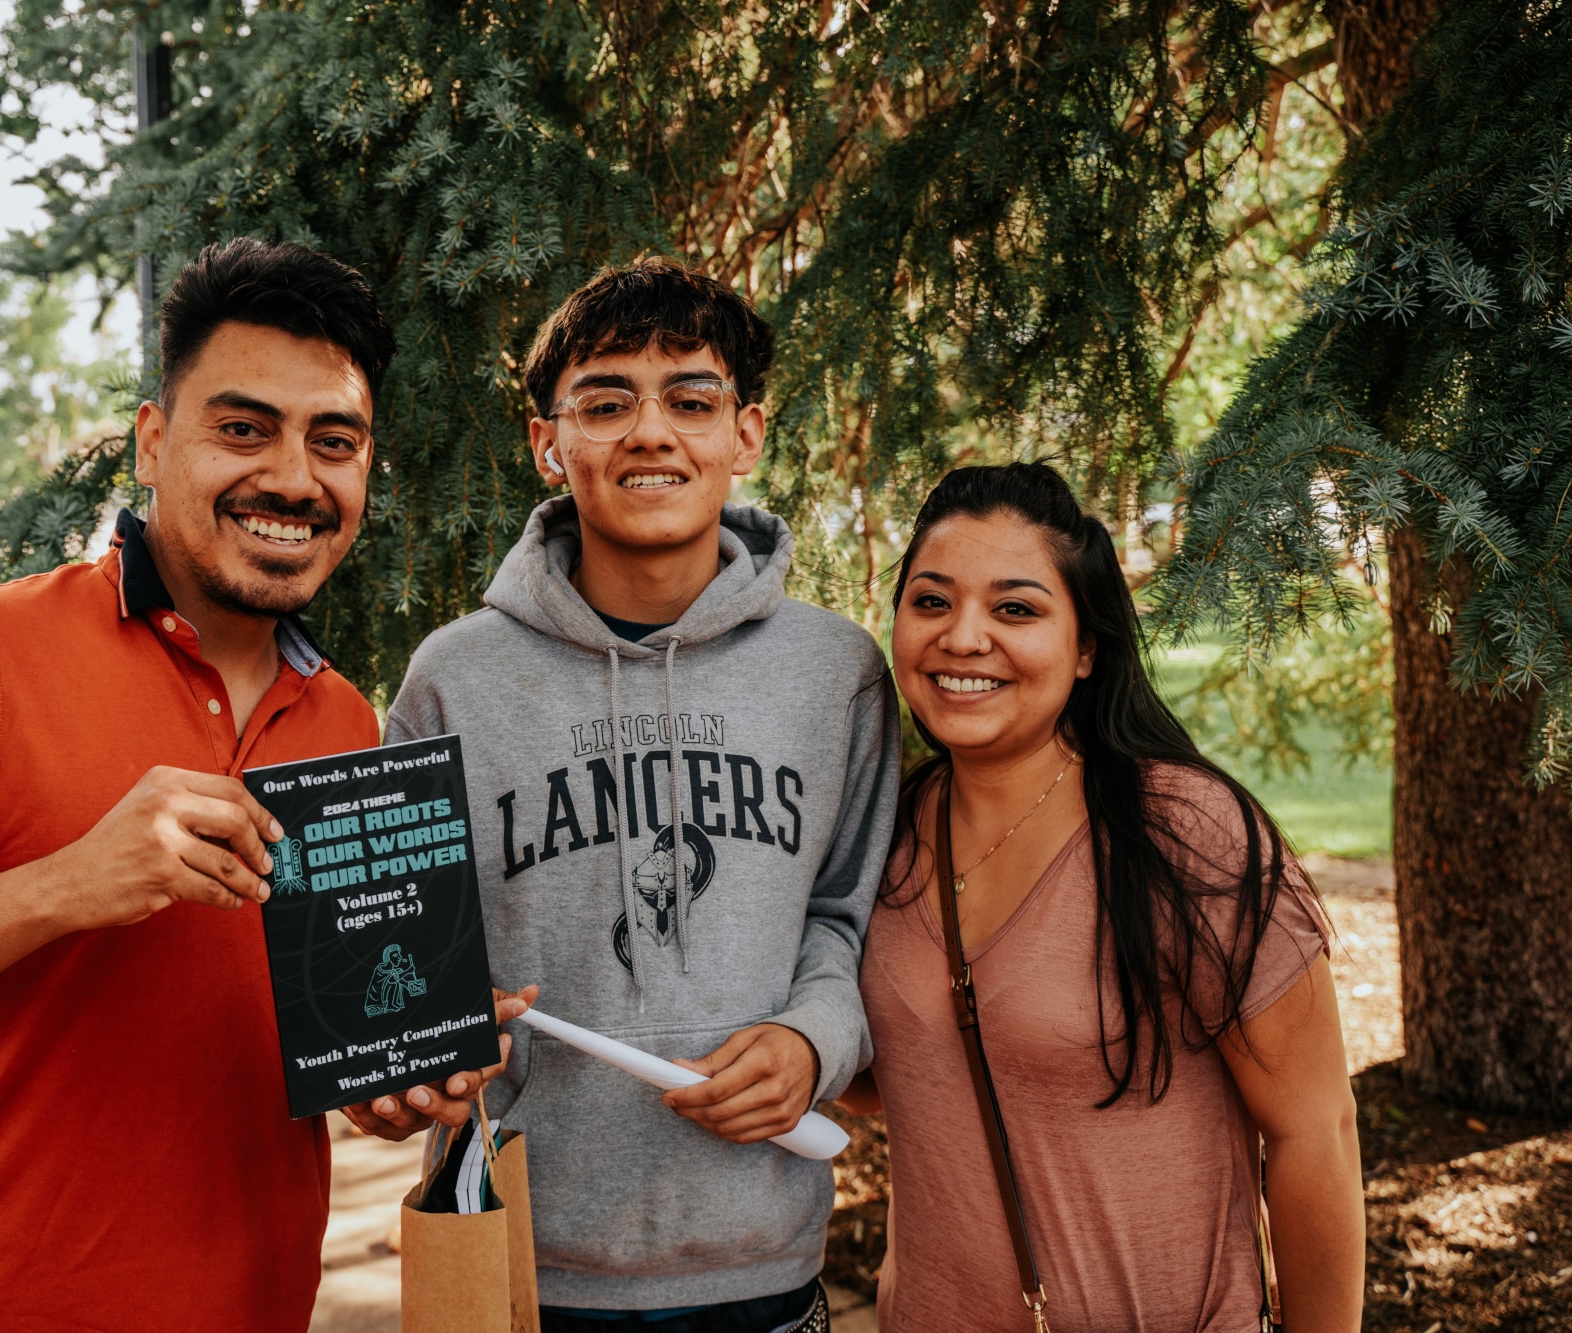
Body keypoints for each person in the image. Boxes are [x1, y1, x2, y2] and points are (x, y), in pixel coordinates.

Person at [0, 238, 512, 1331]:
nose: (291, 476)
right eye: (242, 428)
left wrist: (393, 1078)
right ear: (151, 441)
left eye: (335, 441)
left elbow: (276, 1051)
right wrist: (66, 884)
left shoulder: (341, 719)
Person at [376, 257, 901, 1332]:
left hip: (755, 1258)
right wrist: (410, 1052)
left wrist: (813, 1040)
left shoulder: (833, 672)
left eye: (691, 399)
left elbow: (849, 919)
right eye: (604, 402)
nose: (650, 432)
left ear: (745, 434)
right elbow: (401, 968)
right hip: (520, 1263)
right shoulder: (454, 675)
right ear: (545, 442)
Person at [841, 462, 1363, 1331]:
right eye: (931, 601)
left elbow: (1317, 1132)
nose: (963, 638)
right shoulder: (880, 833)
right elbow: (900, 1069)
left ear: (1085, 647)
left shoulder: (1184, 832)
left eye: (1016, 608)